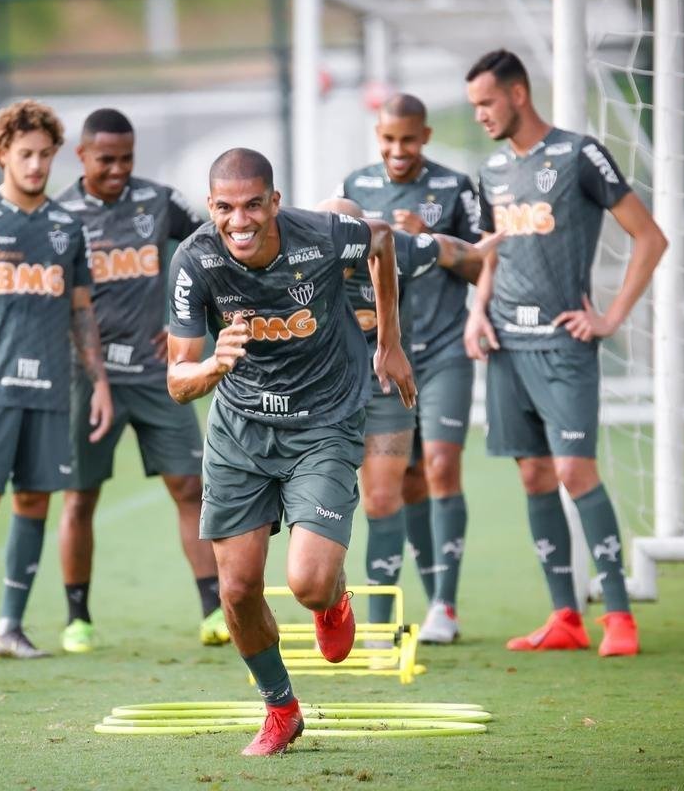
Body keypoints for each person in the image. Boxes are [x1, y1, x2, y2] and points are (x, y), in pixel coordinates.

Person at [166, 148, 415, 756]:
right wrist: (213, 364)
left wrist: (389, 341)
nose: (240, 220)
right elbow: (177, 382)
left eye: (253, 204)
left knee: (306, 583)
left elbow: (382, 241)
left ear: (275, 203)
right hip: (241, 432)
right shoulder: (195, 259)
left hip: (325, 421)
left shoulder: (324, 236)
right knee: (237, 588)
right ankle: (280, 709)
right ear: (210, 208)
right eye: (225, 207)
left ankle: (332, 598)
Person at [463, 49, 667, 656]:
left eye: (486, 103)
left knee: (576, 471)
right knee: (533, 474)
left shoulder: (580, 154)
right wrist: (477, 311)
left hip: (564, 344)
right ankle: (564, 617)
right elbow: (489, 252)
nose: (479, 115)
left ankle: (620, 617)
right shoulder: (492, 167)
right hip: (505, 344)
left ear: (518, 94)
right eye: (473, 105)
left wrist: (611, 316)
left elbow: (650, 237)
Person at [0, 99, 112, 664]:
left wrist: (99, 381)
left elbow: (82, 311)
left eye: (44, 155)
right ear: (1, 154)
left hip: (52, 388)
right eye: (24, 154)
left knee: (34, 501)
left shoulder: (66, 227)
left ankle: (11, 626)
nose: (36, 165)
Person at [53, 108, 226, 654]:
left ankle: (213, 610)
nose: (118, 169)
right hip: (89, 377)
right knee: (80, 497)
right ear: (82, 157)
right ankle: (77, 618)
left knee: (190, 487)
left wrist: (183, 327)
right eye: (106, 159)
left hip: (157, 372)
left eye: (127, 158)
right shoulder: (58, 215)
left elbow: (215, 242)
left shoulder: (156, 201)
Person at [337, 93, 485, 644]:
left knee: (441, 467)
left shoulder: (454, 188)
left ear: (424, 135)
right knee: (396, 487)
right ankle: (384, 621)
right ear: (378, 136)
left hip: (442, 350)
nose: (398, 150)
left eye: (408, 139)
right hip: (381, 358)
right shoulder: (354, 188)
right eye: (388, 139)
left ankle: (443, 606)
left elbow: (482, 262)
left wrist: (429, 236)